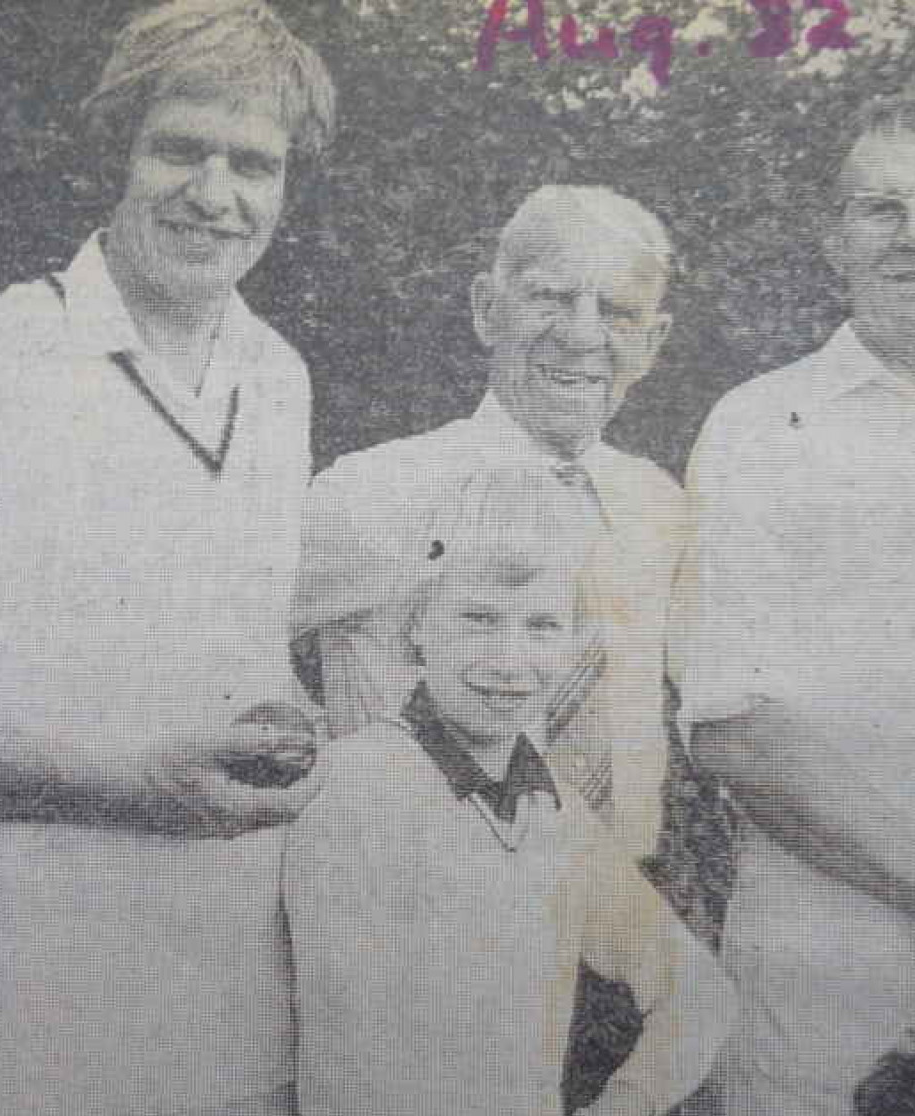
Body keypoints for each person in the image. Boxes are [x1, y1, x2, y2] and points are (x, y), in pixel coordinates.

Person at [0, 3, 334, 1116]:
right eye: (181, 150)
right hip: (31, 1034)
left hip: (232, 1026)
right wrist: (123, 779)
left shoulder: (281, 375)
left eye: (257, 165)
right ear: (112, 157)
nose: (215, 193)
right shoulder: (10, 354)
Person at [284, 468, 731, 1116]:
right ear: (416, 626)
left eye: (541, 626)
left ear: (572, 642)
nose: (509, 661)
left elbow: (701, 994)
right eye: (477, 619)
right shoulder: (358, 787)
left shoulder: (547, 802)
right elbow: (364, 1088)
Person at [677, 93, 915, 1116]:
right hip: (824, 996)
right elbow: (732, 727)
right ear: (833, 239)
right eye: (883, 206)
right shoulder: (765, 428)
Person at [291, 183, 685, 866]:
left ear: (652, 344)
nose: (581, 335)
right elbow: (226, 647)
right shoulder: (374, 493)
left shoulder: (658, 507)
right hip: (419, 905)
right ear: (486, 309)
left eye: (617, 313)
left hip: (620, 919)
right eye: (551, 299)